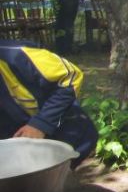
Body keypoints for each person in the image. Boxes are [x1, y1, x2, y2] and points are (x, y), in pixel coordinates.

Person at [0, 39, 97, 169]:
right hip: (13, 130)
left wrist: (40, 125)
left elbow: (72, 75)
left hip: (57, 125)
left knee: (52, 168)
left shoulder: (17, 55)